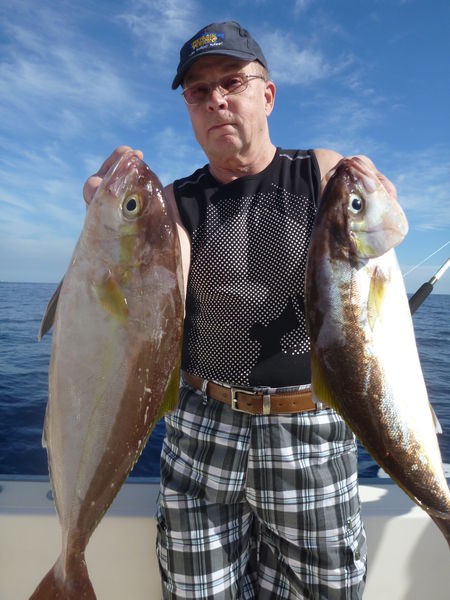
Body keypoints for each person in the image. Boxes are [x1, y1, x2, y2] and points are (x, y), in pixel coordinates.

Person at [84, 20, 397, 600]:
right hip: (202, 428)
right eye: (198, 91)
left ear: (268, 95)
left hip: (309, 429)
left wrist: (377, 197)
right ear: (189, 107)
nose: (216, 100)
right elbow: (154, 298)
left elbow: (371, 240)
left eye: (232, 81)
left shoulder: (320, 172)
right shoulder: (173, 203)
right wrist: (110, 232)